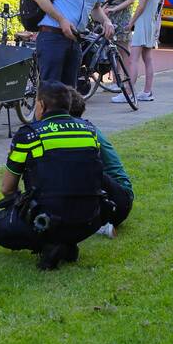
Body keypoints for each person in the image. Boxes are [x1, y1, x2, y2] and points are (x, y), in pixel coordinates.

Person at [0, 82, 106, 270]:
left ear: (41, 105)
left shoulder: (29, 135)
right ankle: (65, 242)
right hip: (90, 219)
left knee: (0, 228)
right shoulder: (89, 131)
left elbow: (7, 188)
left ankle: (49, 243)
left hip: (45, 219)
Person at [68, 89, 133, 237]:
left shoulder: (80, 132)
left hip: (117, 198)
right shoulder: (85, 127)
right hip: (118, 195)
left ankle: (93, 224)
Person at [121, 0, 163, 102]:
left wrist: (130, 23)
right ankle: (147, 91)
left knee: (133, 60)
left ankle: (129, 92)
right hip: (150, 24)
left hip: (142, 24)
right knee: (148, 59)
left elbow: (141, 7)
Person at [104, 0, 137, 94]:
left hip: (122, 16)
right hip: (112, 16)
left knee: (124, 51)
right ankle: (116, 81)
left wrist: (115, 8)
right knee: (114, 50)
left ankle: (126, 81)